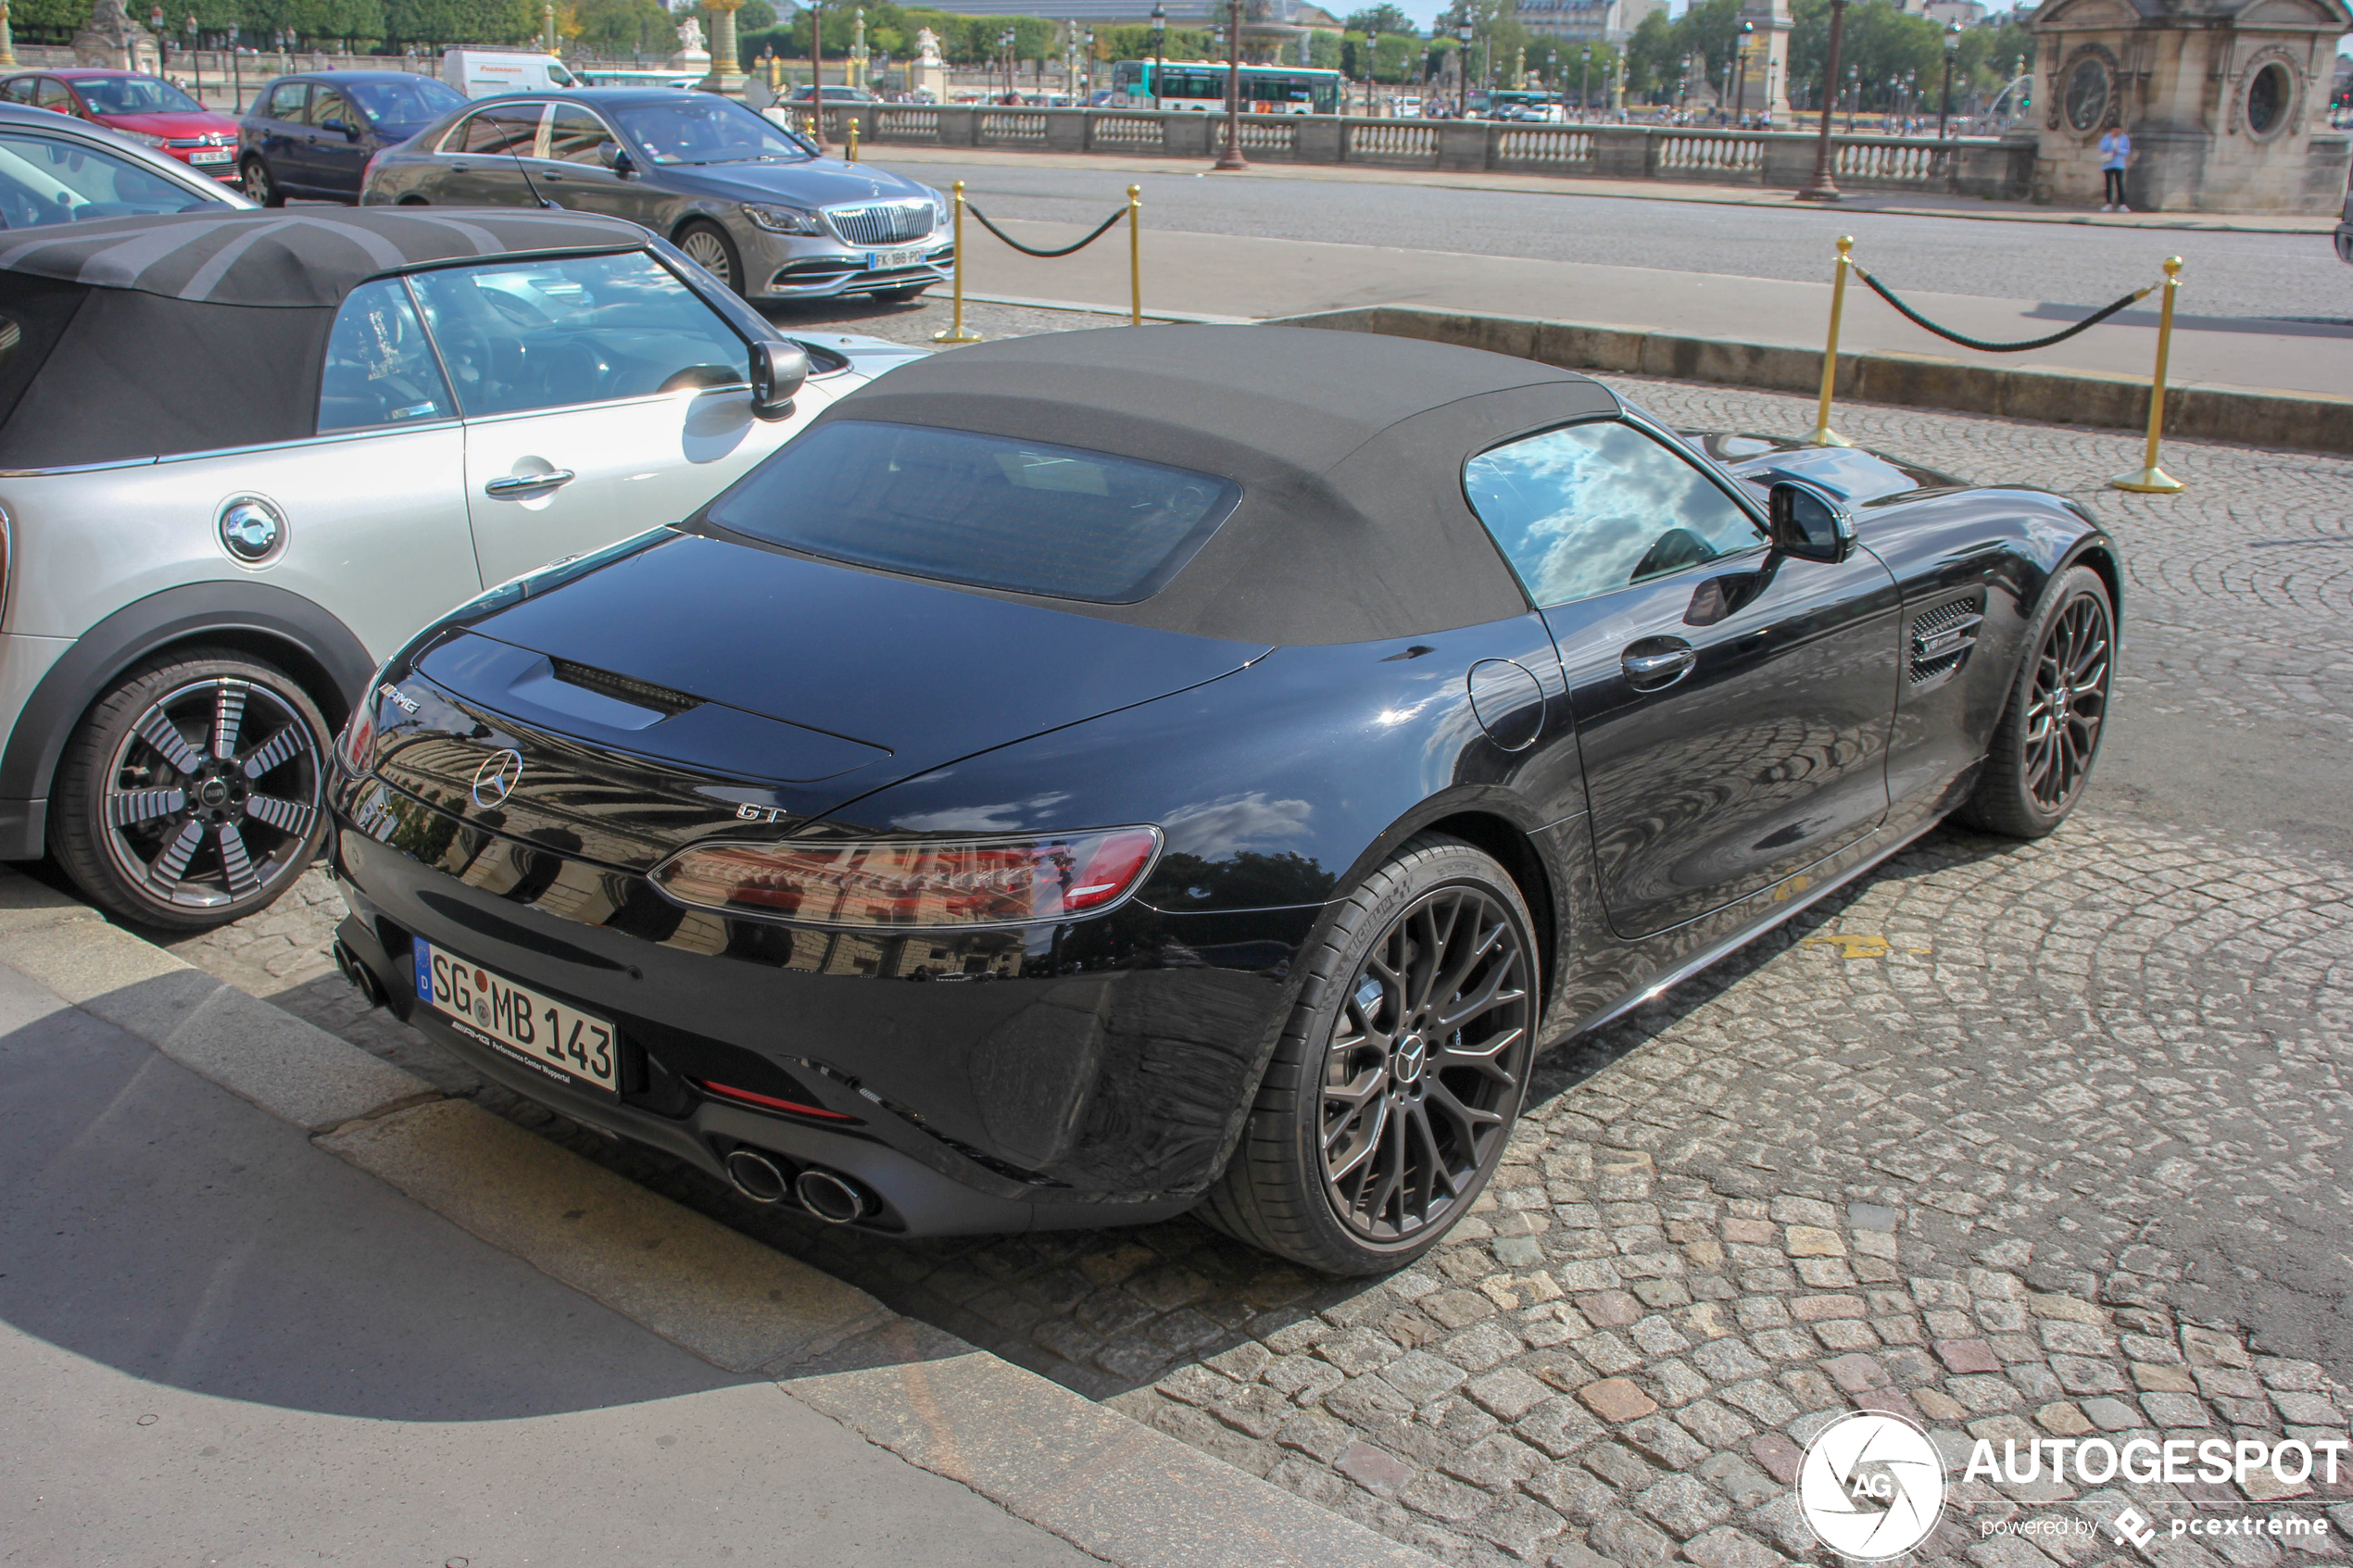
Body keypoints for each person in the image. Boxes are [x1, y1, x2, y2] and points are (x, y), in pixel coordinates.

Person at [2098, 119, 2131, 211]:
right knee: (2109, 183)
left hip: (2119, 163)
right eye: (2115, 129)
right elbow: (2102, 147)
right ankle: (2108, 203)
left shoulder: (2124, 138)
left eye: (2118, 129)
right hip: (2108, 163)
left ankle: (2122, 204)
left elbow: (2127, 150)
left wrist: (2119, 150)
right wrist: (2110, 140)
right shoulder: (2107, 137)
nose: (2117, 131)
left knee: (2119, 183)